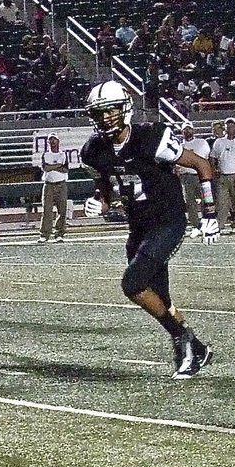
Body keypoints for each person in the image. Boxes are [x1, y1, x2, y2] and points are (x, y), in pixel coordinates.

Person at [79, 81, 218, 380]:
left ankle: (182, 342)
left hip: (168, 219)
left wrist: (210, 213)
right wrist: (100, 201)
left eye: (111, 110)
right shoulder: (93, 150)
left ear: (124, 108)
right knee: (161, 299)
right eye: (99, 113)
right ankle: (197, 347)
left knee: (133, 283)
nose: (106, 118)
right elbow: (106, 184)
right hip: (139, 225)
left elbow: (202, 165)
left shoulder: (151, 137)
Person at [209, 118, 235, 233]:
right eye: (228, 126)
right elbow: (213, 157)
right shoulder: (219, 142)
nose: (229, 128)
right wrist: (214, 170)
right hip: (223, 175)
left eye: (232, 126)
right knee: (222, 201)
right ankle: (220, 224)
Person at [178, 124, 211, 235]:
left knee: (205, 200)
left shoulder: (201, 143)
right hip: (185, 176)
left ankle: (207, 221)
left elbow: (206, 157)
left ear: (193, 130)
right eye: (185, 130)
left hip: (199, 175)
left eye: (189, 129)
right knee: (190, 202)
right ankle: (196, 224)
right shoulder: (179, 145)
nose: (187, 131)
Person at [37, 134, 69, 243]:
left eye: (54, 140)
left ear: (58, 141)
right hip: (49, 184)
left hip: (61, 184)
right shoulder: (46, 154)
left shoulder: (63, 154)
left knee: (62, 210)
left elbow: (65, 169)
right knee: (47, 210)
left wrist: (52, 167)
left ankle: (59, 233)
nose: (53, 142)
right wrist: (57, 166)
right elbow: (45, 168)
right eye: (51, 140)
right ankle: (44, 234)